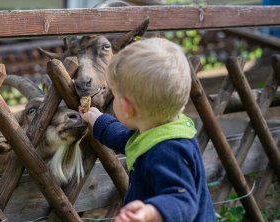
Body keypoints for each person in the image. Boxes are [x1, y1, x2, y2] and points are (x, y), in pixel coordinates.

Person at [80, 38, 216, 222]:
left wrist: (151, 213)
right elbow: (125, 138)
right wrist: (96, 119)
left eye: (116, 94)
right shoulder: (165, 128)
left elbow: (181, 199)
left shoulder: (168, 151)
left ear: (127, 108)